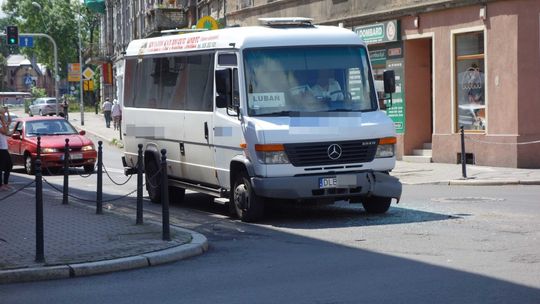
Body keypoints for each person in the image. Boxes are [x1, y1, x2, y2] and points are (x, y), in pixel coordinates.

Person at [0, 106, 13, 191]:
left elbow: (10, 121)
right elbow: (5, 132)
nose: (4, 112)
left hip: (4, 148)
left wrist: (8, 113)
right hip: (1, 148)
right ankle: (1, 185)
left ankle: (5, 183)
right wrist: (3, 121)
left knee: (9, 165)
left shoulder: (2, 122)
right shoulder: (0, 123)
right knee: (1, 167)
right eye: (3, 111)